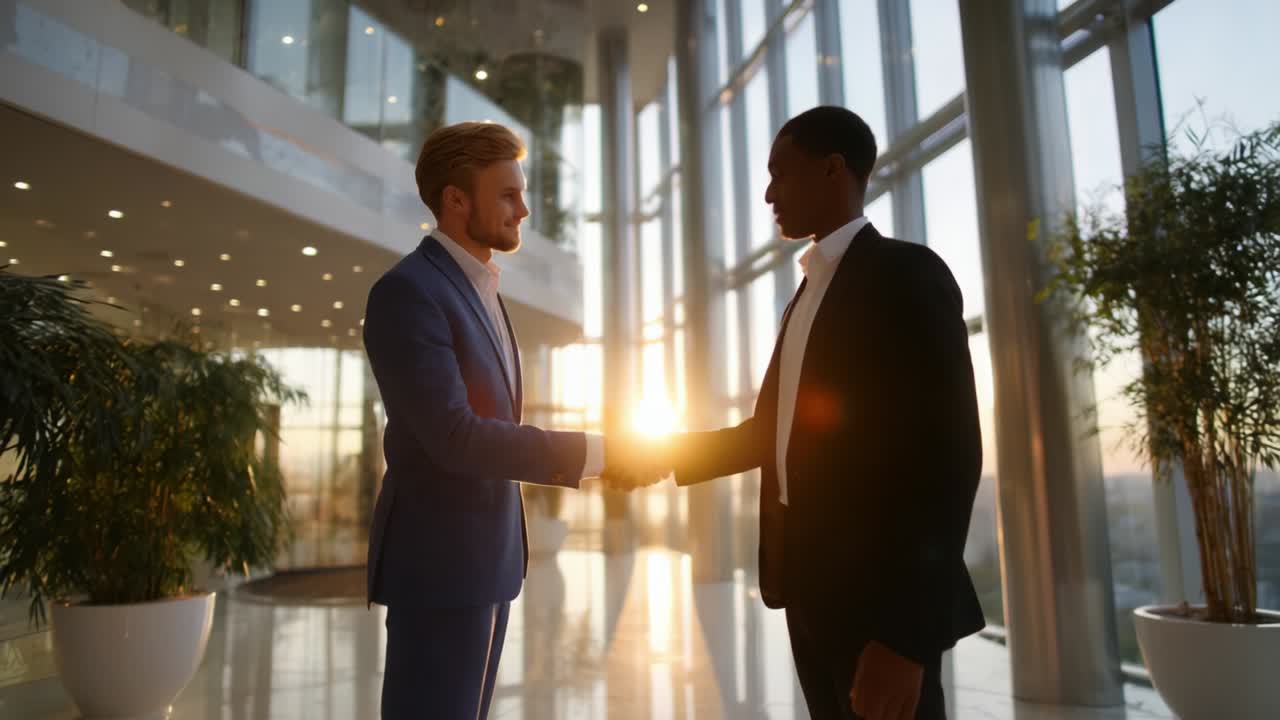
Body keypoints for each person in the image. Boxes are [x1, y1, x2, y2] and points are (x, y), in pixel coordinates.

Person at [608, 106, 985, 720]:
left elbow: (948, 459)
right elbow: (770, 435)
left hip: (879, 601)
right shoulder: (807, 294)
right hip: (809, 588)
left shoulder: (906, 275)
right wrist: (655, 455)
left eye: (780, 174)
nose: (768, 193)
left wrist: (905, 637)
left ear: (833, 169)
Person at [362, 121, 662, 719]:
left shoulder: (481, 289)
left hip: (485, 563)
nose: (523, 209)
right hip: (441, 568)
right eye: (507, 194)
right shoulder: (408, 292)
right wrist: (600, 453)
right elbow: (456, 436)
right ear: (455, 199)